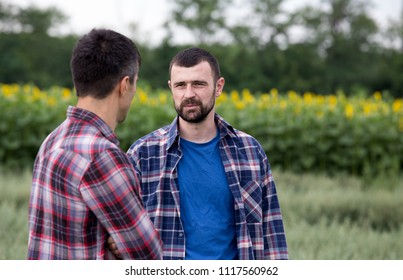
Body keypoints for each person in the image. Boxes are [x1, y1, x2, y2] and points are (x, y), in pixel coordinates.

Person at [124, 47, 288, 260]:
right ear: (170, 88)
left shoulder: (249, 151)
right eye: (180, 85)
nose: (189, 94)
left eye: (199, 84)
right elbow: (123, 239)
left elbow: (272, 232)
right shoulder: (143, 155)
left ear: (218, 87)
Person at [27, 28, 163, 260]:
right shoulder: (102, 156)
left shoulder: (52, 140)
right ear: (124, 85)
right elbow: (148, 256)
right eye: (135, 84)